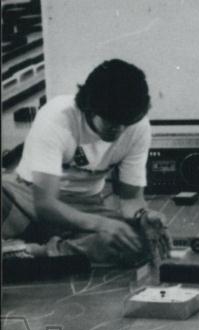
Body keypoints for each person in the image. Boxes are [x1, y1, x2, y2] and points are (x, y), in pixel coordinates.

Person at [1, 59, 167, 266]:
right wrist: (101, 224)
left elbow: (131, 199)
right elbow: (45, 205)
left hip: (85, 207)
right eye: (111, 120)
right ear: (89, 107)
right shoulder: (56, 116)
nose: (120, 129)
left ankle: (33, 253)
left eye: (126, 122)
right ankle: (62, 252)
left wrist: (143, 216)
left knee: (140, 243)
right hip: (27, 199)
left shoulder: (138, 126)